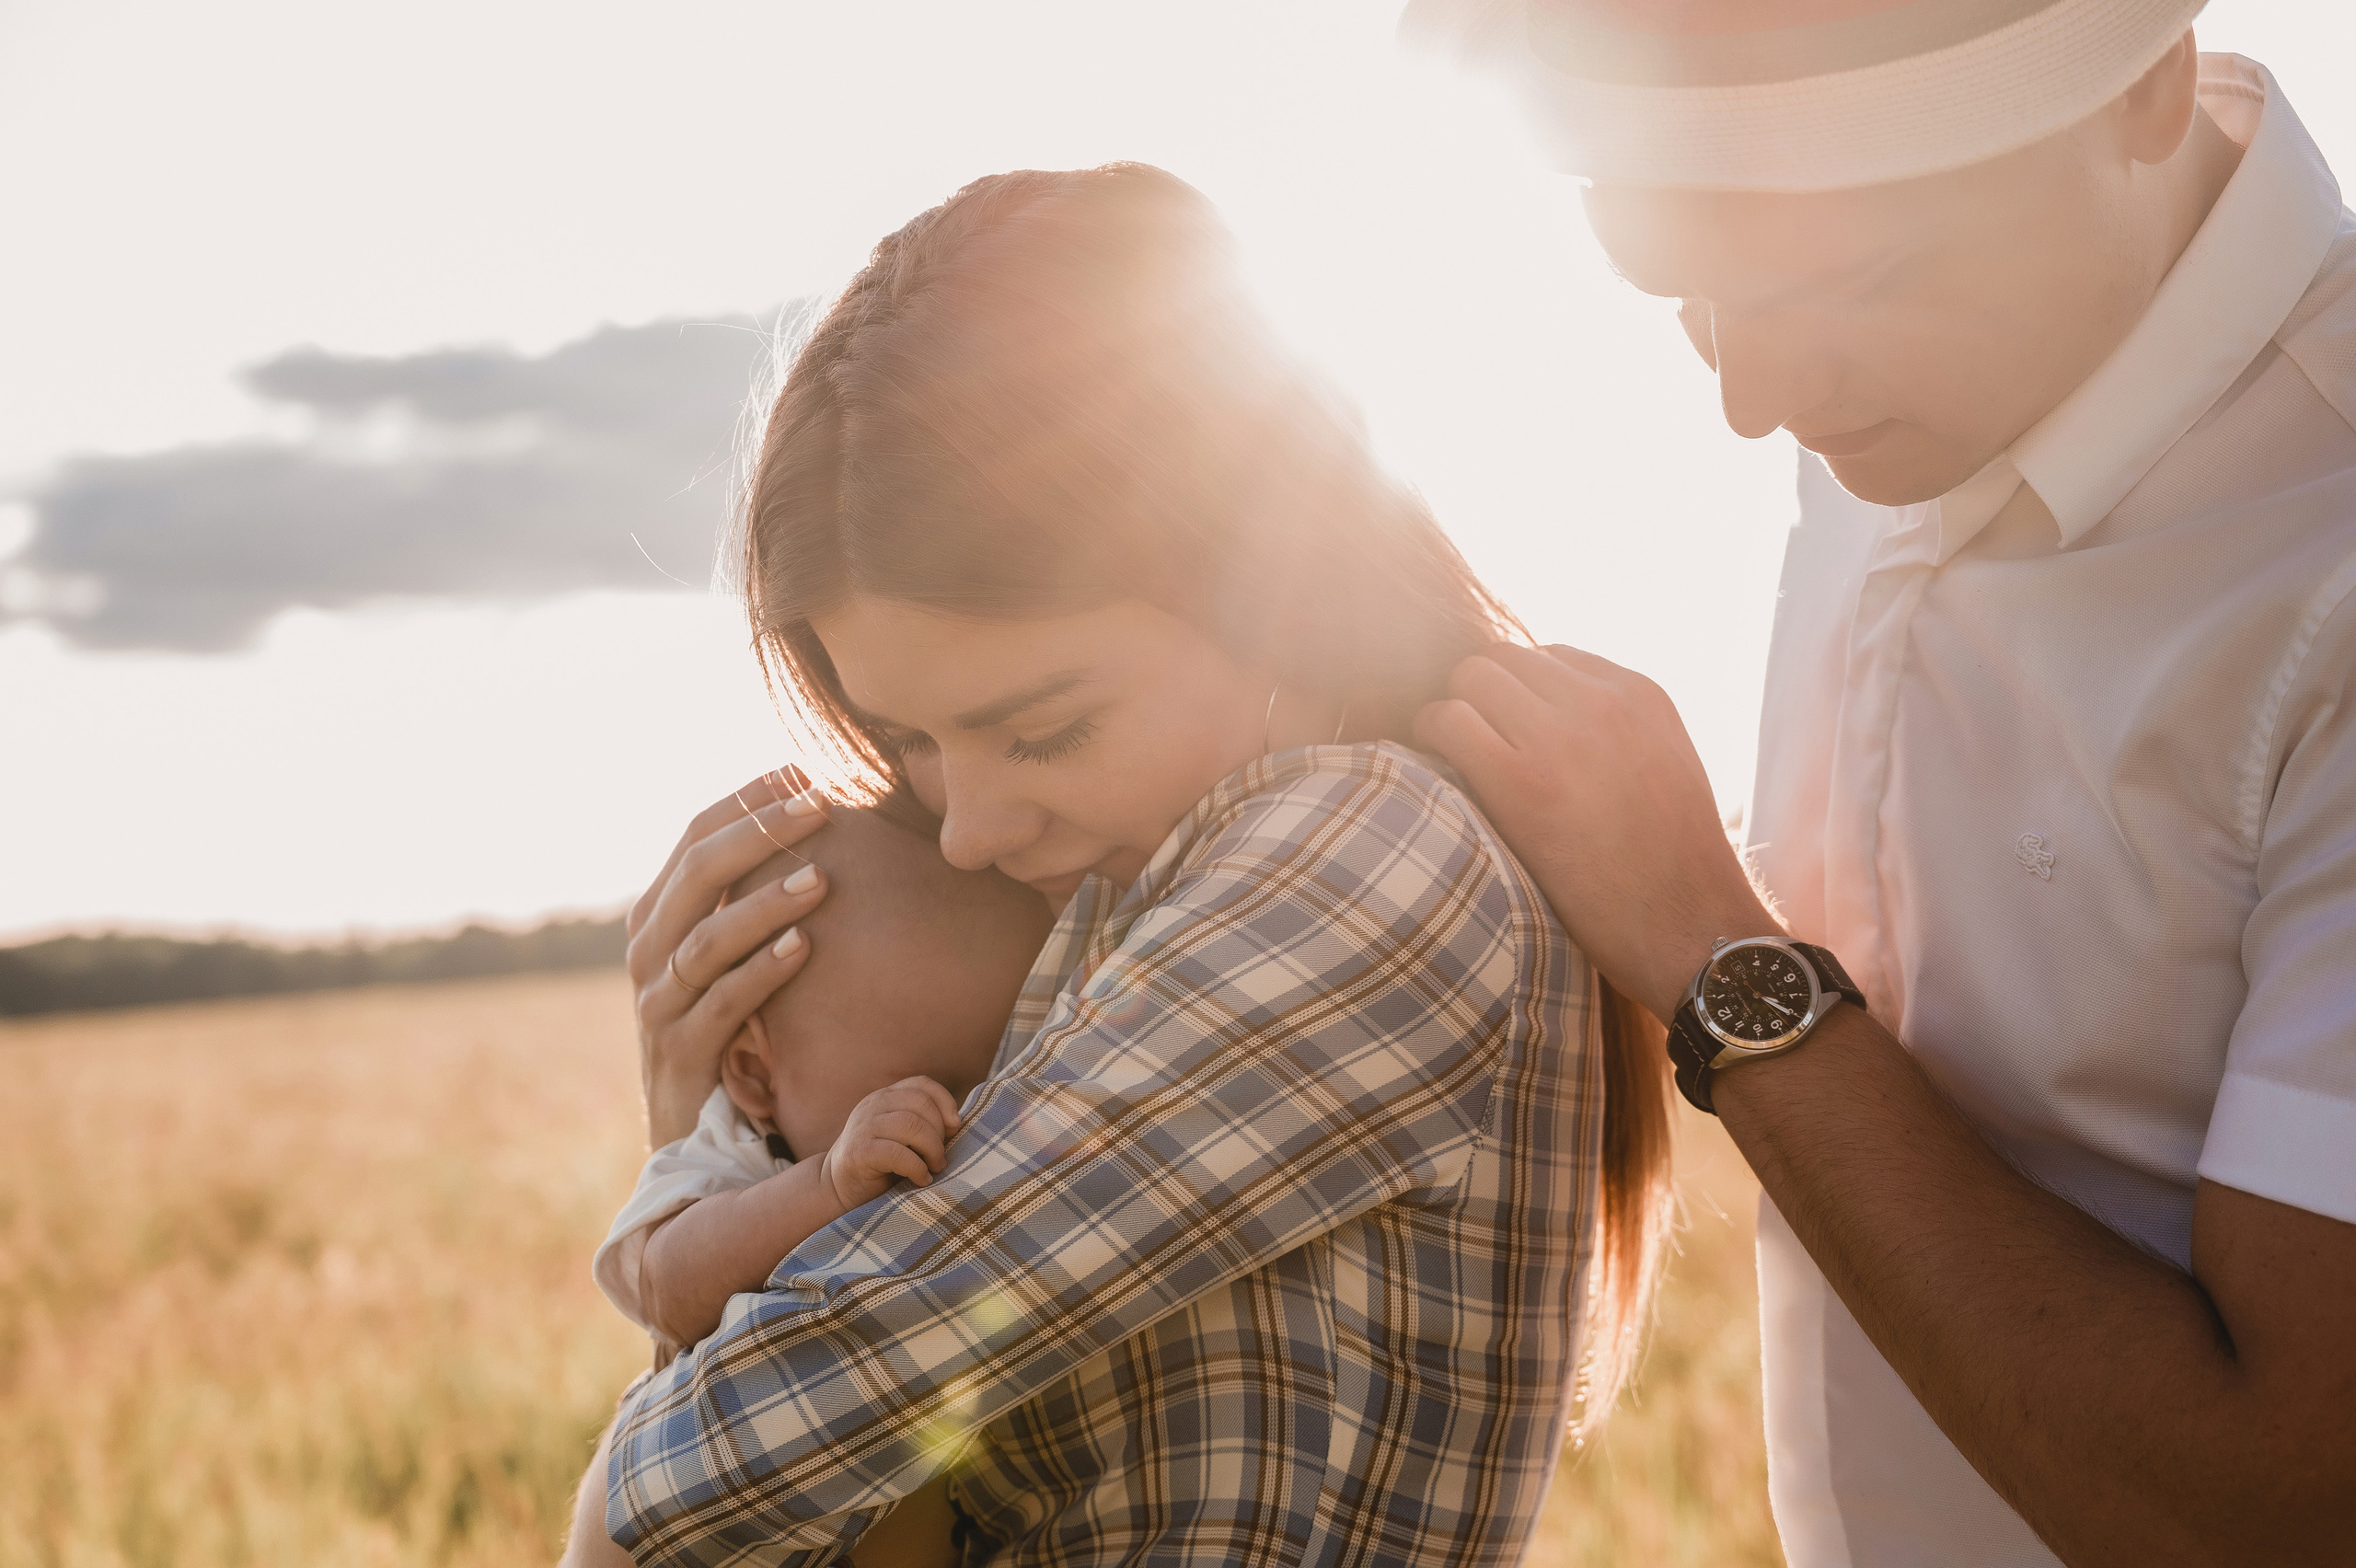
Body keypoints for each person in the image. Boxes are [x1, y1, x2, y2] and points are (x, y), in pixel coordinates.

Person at [580, 163, 1675, 1567]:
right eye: (907, 740)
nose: (968, 829)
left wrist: (704, 1204)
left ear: (1269, 581)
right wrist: (731, 1136)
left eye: (1047, 728)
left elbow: (702, 1488)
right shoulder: (1132, 895)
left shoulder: (1360, 855)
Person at [1405, 4, 2356, 1565]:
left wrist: (1716, 952)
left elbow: (2277, 1510)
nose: (1755, 395)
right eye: (1686, 291)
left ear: (2142, 87)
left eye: (1857, 280)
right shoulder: (1906, 382)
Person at [578, 804, 1051, 1568]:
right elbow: (665, 1284)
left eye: (1001, 1073)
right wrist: (827, 1185)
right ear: (754, 1073)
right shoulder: (733, 1156)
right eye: (922, 1083)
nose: (962, 1120)